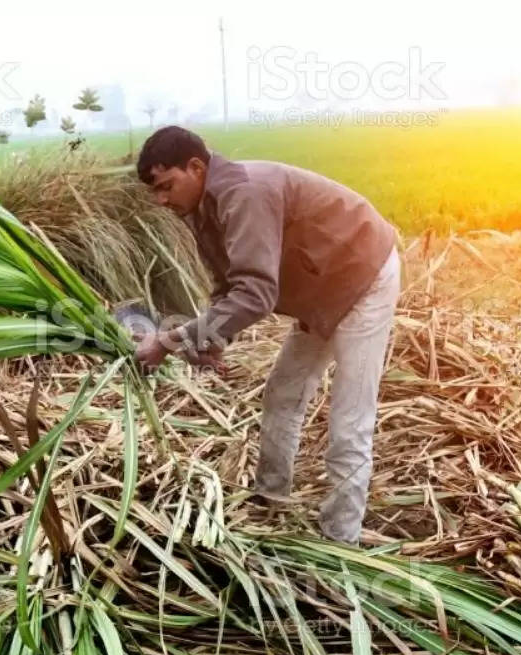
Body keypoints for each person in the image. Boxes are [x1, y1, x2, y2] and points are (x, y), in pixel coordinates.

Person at [133, 125, 400, 545]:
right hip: (320, 286)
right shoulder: (202, 206)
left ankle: (340, 540)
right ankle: (271, 501)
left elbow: (256, 295)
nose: (162, 200)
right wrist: (211, 339)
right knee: (282, 393)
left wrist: (168, 342)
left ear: (197, 166)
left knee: (349, 422)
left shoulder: (244, 192)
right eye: (156, 192)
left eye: (167, 186)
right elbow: (229, 284)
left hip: (361, 275)